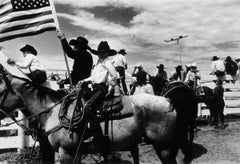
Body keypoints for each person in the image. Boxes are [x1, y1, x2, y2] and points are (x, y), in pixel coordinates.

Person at [81, 41, 118, 143]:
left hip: (102, 88)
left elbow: (114, 75)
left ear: (107, 53)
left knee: (87, 107)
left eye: (103, 52)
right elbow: (93, 77)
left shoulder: (107, 62)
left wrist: (111, 86)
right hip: (95, 87)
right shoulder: (98, 63)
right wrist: (84, 80)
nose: (100, 54)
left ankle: (97, 134)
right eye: (99, 52)